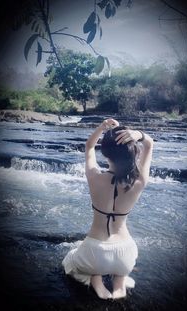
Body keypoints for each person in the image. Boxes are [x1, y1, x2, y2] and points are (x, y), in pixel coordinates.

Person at [62, 118, 153, 299]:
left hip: (94, 252)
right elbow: (149, 145)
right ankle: (119, 284)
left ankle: (95, 279)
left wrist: (102, 127)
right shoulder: (138, 183)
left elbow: (88, 147)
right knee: (119, 265)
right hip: (125, 252)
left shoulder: (94, 177)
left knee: (70, 260)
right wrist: (138, 135)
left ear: (105, 154)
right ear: (131, 154)